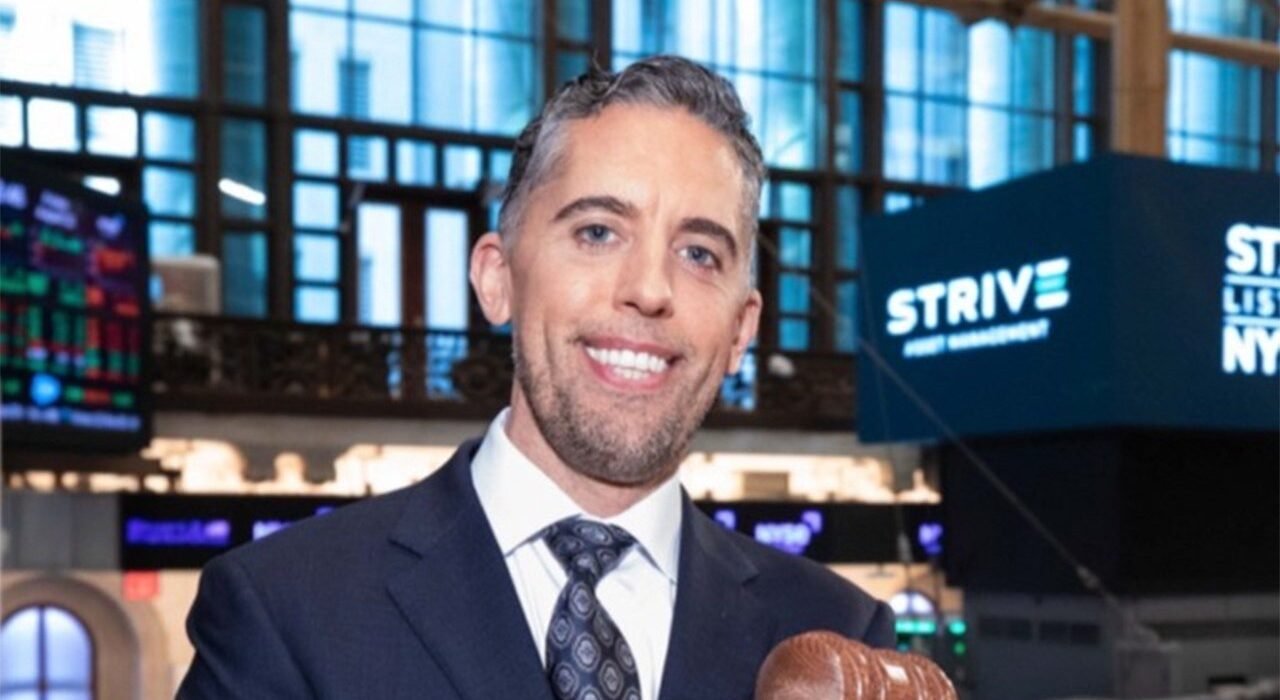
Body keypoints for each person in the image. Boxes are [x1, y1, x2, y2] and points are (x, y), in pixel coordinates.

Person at [178, 55, 894, 700]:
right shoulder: (287, 611)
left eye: (699, 253)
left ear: (741, 329)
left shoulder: (836, 638)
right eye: (597, 232)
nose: (649, 289)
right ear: (498, 279)